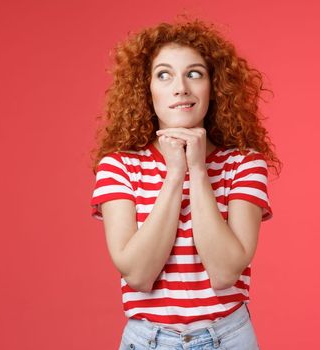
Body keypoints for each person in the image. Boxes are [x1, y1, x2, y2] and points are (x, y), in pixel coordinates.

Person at [89, 17, 283, 350]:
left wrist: (198, 169)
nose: (181, 87)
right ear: (146, 89)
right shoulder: (118, 166)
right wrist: (175, 174)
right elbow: (138, 274)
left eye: (194, 73)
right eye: (164, 74)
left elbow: (224, 273)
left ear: (214, 86)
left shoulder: (245, 164)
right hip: (147, 341)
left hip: (229, 338)